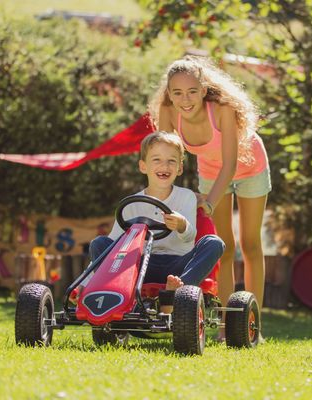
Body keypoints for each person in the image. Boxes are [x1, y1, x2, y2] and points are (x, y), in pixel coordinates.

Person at [149, 56, 271, 340]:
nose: (185, 99)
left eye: (192, 91)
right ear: (169, 94)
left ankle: (253, 326)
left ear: (204, 89)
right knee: (223, 247)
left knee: (250, 244)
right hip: (210, 171)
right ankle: (229, 327)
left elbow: (230, 164)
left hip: (249, 166)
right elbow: (166, 159)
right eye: (177, 92)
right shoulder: (168, 110)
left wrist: (208, 201)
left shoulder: (223, 109)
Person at [72, 131, 225, 314]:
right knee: (100, 243)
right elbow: (110, 248)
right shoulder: (131, 203)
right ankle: (115, 297)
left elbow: (189, 238)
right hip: (139, 265)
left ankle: (177, 292)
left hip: (177, 264)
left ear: (180, 168)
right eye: (157, 160)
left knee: (215, 243)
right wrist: (83, 284)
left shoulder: (187, 197)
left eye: (171, 161)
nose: (164, 166)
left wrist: (182, 225)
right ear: (143, 166)